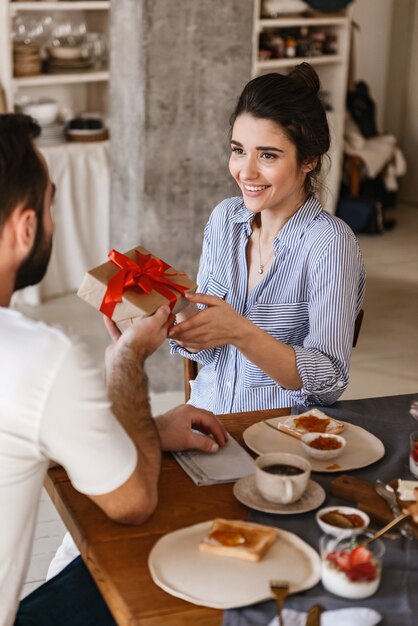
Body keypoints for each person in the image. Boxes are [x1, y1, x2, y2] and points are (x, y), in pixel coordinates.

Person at [0, 113, 227, 626]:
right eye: (50, 203)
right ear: (27, 225)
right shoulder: (39, 356)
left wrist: (149, 429)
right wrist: (126, 357)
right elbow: (133, 502)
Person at [169, 63, 366, 413]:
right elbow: (211, 349)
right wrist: (179, 308)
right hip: (205, 419)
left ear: (309, 160)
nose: (246, 171)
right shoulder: (224, 219)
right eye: (238, 150)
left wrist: (241, 332)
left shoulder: (330, 244)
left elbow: (330, 381)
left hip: (281, 438)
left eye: (268, 155)